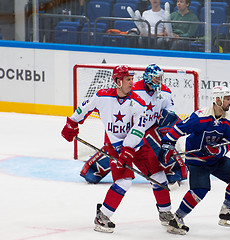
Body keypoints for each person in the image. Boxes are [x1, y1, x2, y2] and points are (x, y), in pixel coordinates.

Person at [61, 65, 173, 233]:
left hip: (137, 145)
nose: (132, 82)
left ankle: (165, 213)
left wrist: (128, 149)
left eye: (132, 79)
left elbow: (139, 129)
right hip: (114, 146)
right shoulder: (102, 96)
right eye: (128, 79)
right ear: (118, 81)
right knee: (124, 182)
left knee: (159, 176)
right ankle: (102, 217)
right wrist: (72, 122)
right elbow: (84, 108)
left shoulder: (138, 102)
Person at [158, 86, 230, 235]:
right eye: (227, 99)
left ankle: (226, 211)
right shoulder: (200, 117)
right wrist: (168, 144)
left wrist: (218, 150)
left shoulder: (229, 121)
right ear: (217, 100)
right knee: (200, 190)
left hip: (215, 159)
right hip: (197, 160)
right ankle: (177, 218)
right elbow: (178, 129)